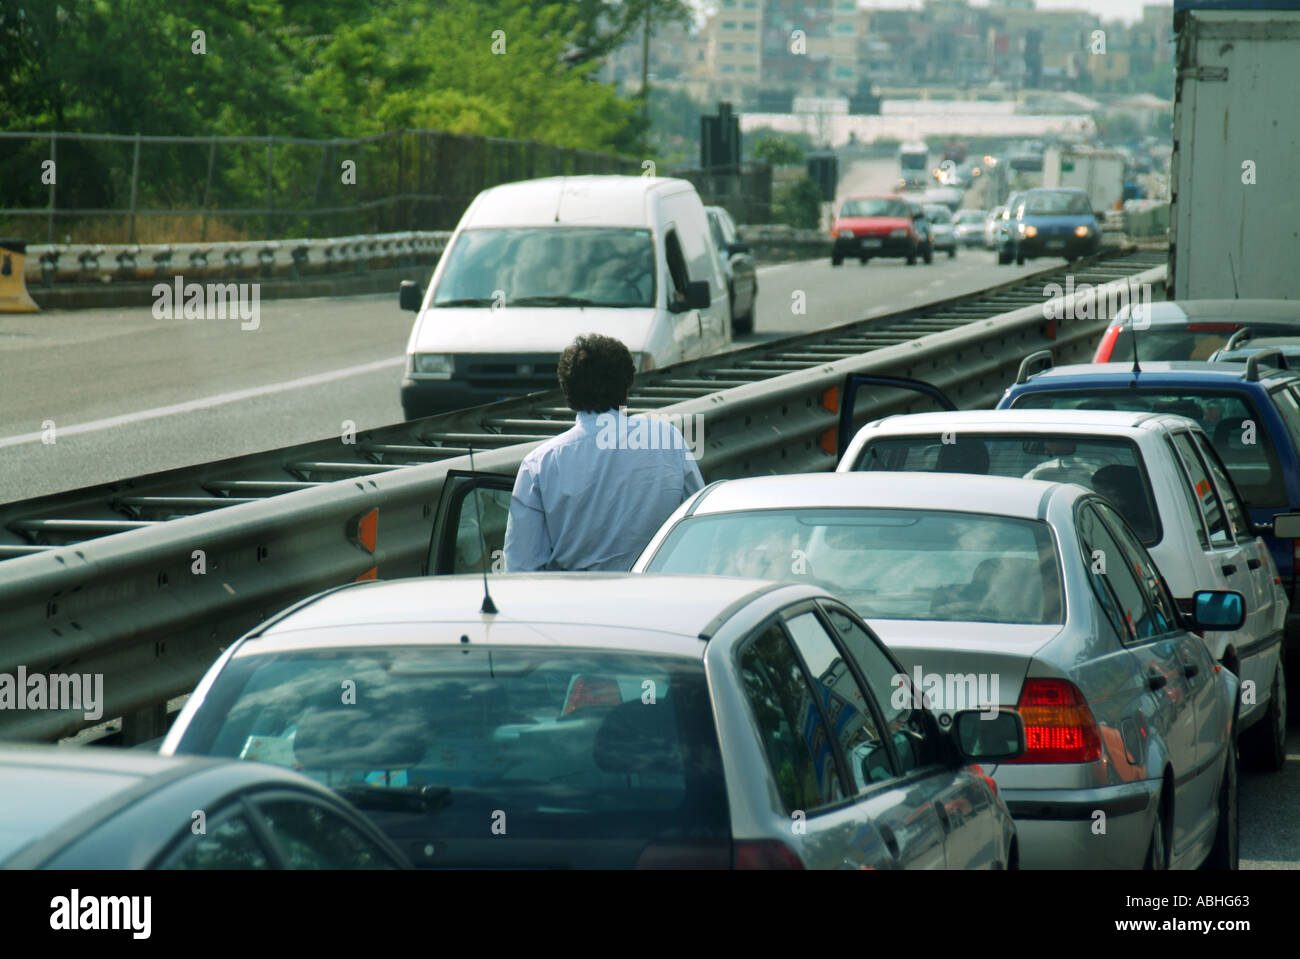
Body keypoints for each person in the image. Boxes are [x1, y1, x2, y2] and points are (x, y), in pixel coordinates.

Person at [503, 334, 704, 571]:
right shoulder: (667, 438)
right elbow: (699, 522)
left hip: (576, 604)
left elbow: (522, 566)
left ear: (567, 390)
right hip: (657, 597)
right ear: (626, 385)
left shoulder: (539, 464)